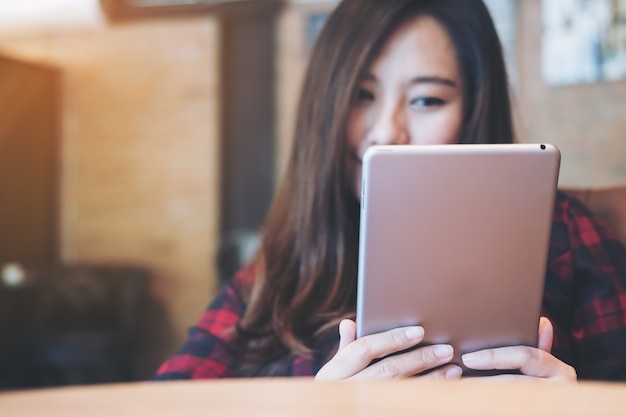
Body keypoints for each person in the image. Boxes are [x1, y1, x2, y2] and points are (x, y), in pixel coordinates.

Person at [154, 0, 626, 381]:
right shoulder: (280, 268)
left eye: (427, 99)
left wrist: (576, 408)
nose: (387, 132)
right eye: (362, 95)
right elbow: (166, 401)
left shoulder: (560, 232)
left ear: (475, 111)